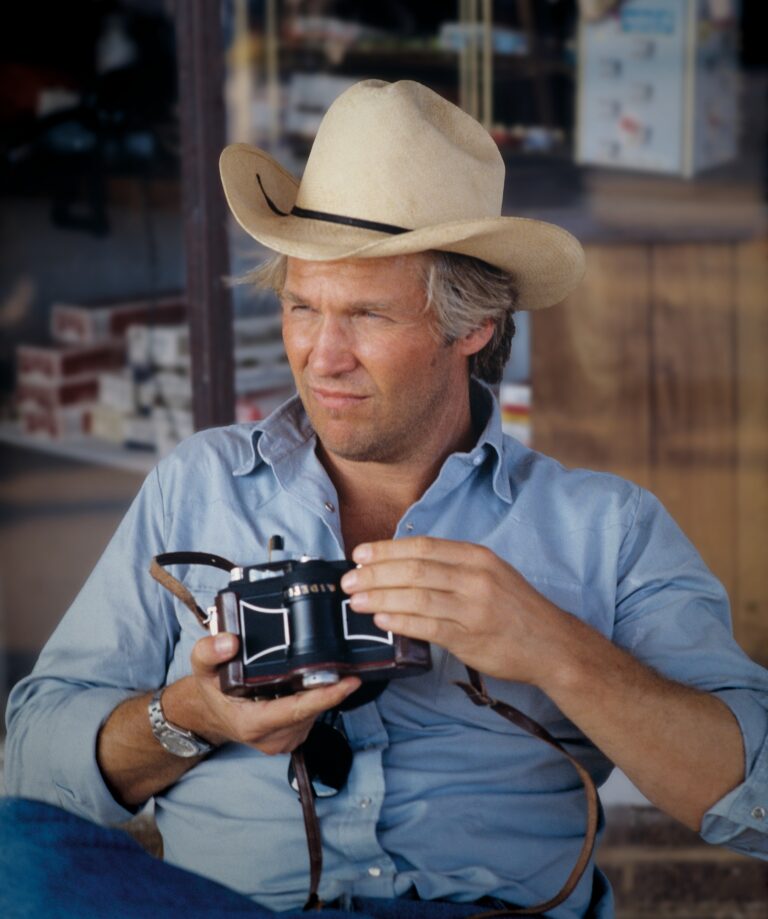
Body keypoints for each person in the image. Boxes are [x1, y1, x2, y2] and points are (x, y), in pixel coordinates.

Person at [3, 80, 767, 919]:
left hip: (484, 906)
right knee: (15, 859)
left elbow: (754, 802)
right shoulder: (198, 484)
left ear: (471, 325)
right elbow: (30, 768)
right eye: (301, 306)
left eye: (366, 314)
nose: (321, 356)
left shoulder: (604, 527)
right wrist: (192, 715)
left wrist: (552, 648)